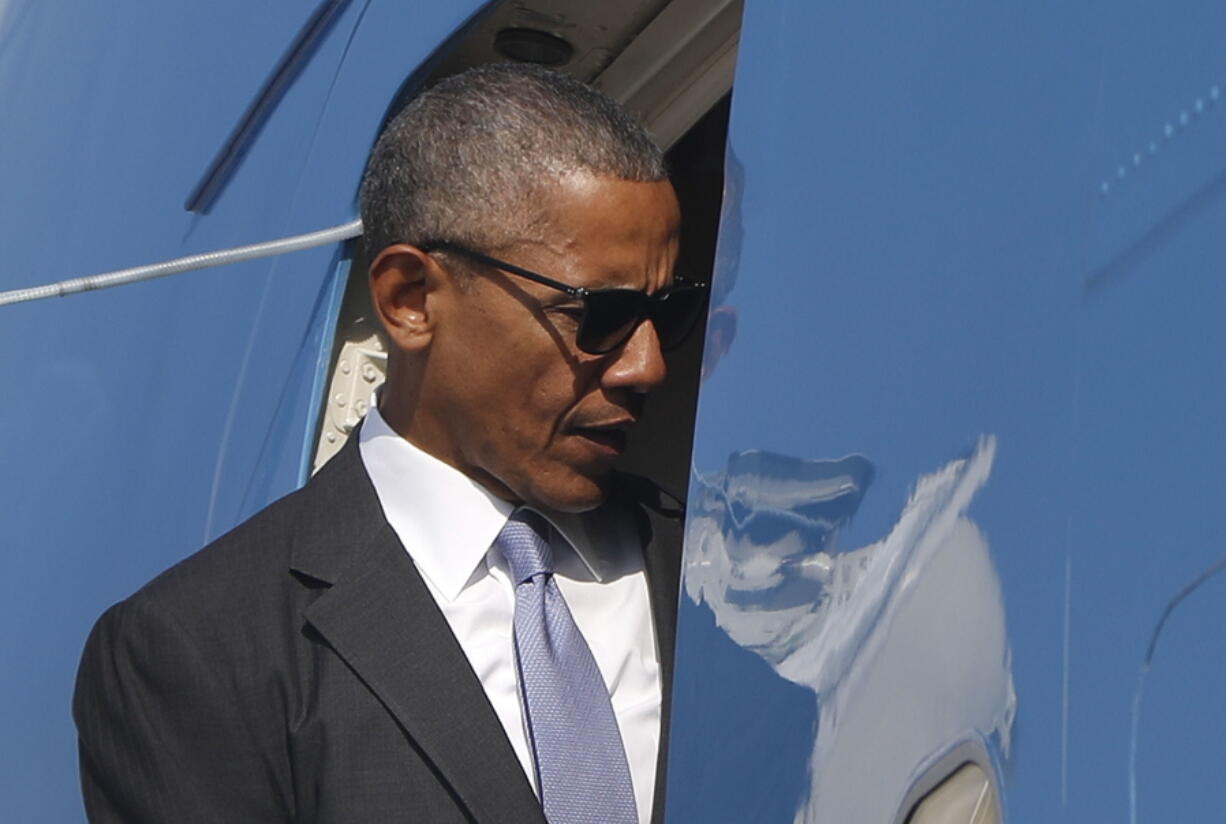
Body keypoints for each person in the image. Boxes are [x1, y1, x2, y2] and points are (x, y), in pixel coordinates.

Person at [73, 62, 704, 824]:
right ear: (409, 300)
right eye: (600, 316)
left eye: (666, 317)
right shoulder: (201, 649)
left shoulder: (724, 568)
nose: (648, 366)